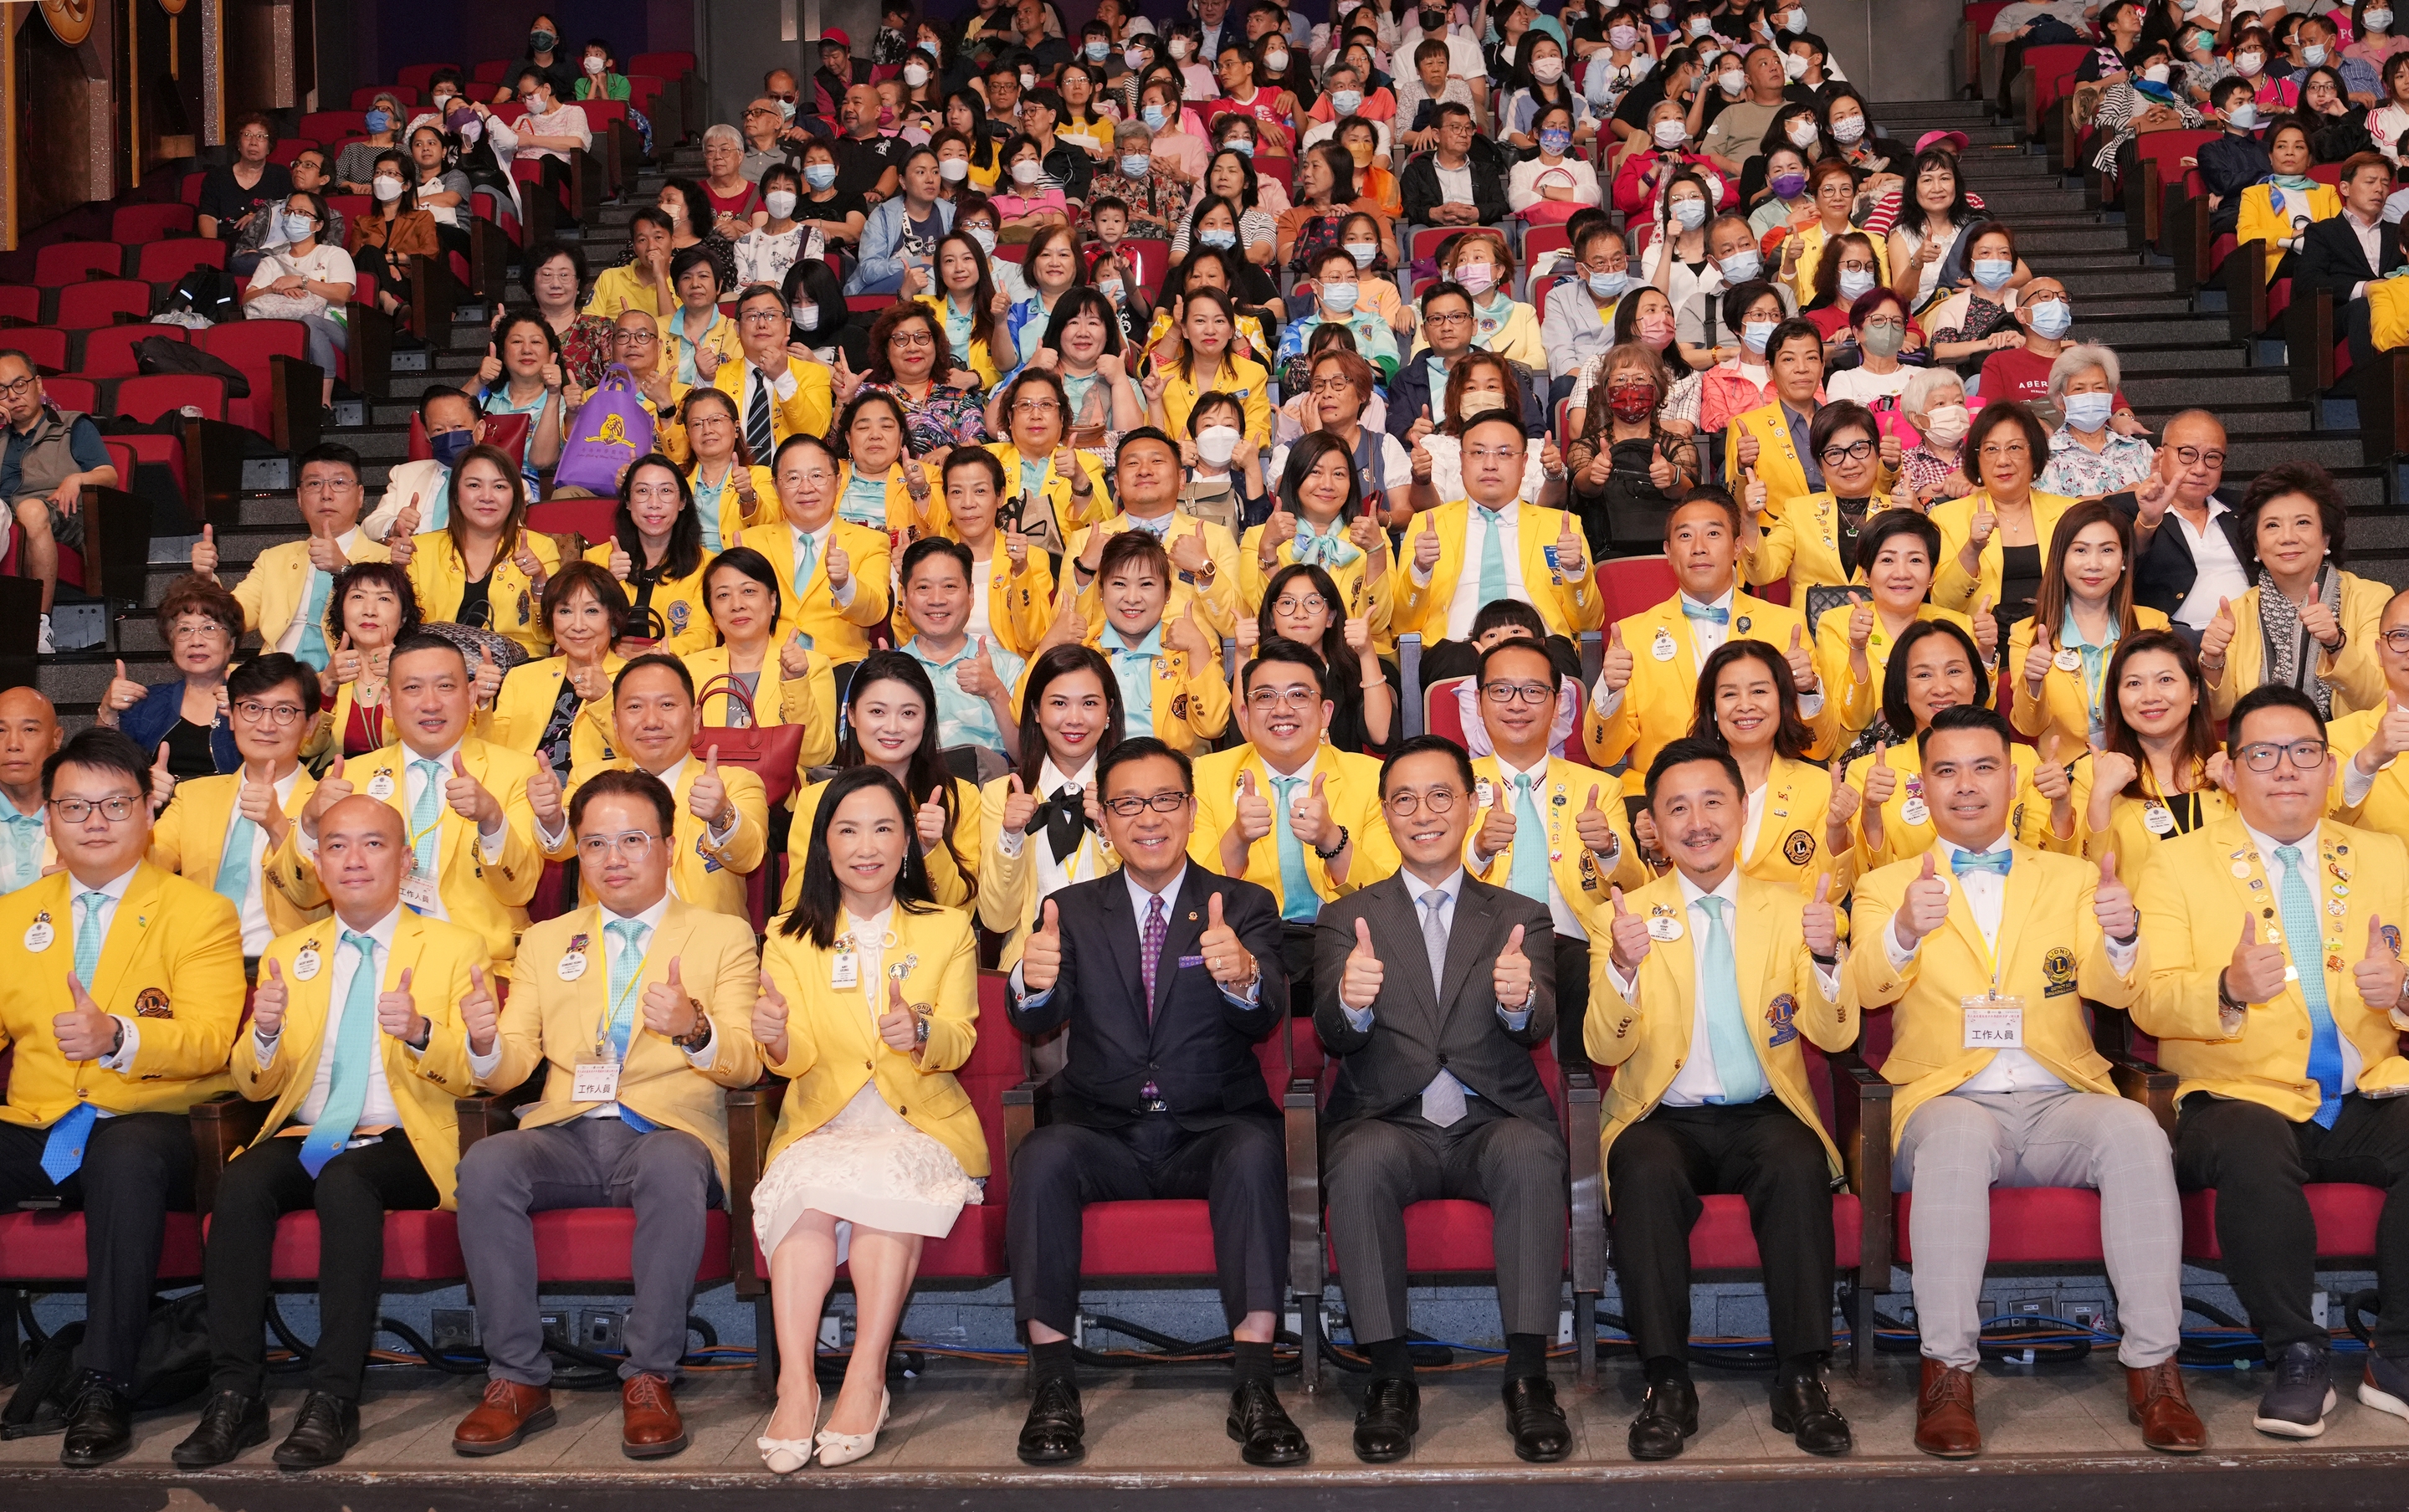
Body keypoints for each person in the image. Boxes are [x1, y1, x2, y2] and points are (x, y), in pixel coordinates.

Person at [1845, 703, 2205, 1457]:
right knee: (1951, 1145)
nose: (1966, 785)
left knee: (2138, 1130)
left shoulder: (2072, 875)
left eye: (1983, 768)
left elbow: (2111, 992)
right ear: (1923, 785)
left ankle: (2155, 1367)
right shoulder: (1885, 885)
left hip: (2059, 1096)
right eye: (1946, 771)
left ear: (2012, 780)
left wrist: (2121, 932)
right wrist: (1903, 929)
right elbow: (1864, 993)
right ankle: (1946, 1371)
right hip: (1945, 1097)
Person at [1005, 735, 1303, 1467]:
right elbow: (1038, 1019)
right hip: (1103, 1130)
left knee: (1256, 1151)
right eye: (1127, 802)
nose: (1148, 817)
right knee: (1040, 1157)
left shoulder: (1242, 904)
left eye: (1164, 799)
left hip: (1211, 1124)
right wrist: (1032, 982)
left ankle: (1256, 1386)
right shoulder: (1067, 910)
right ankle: (1052, 1385)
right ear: (1103, 819)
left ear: (1191, 809)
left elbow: (1264, 1015)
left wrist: (1242, 978)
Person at [449, 767, 761, 1458]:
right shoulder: (545, 939)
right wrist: (481, 1043)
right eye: (594, 844)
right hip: (564, 1131)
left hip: (666, 1132)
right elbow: (513, 1063)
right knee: (487, 1161)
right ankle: (516, 1379)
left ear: (669, 845)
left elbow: (746, 1062)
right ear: (579, 853)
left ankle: (649, 1375)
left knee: (676, 1163)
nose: (612, 858)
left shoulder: (722, 935)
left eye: (632, 839)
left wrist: (693, 1026)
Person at [171, 794, 488, 1471]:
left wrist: (424, 1032)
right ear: (316, 862)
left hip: (407, 1136)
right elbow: (254, 1084)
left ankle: (333, 1397)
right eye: (337, 845)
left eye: (373, 844)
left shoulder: (458, 947)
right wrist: (264, 1032)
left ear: (404, 860)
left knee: (347, 1184)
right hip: (310, 1131)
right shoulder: (291, 952)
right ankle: (234, 1392)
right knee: (242, 1182)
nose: (353, 859)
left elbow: (477, 1078)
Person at [2135, 681, 2409, 1436]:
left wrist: (2405, 989)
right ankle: (2296, 1354)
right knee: (2252, 1147)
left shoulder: (2387, 856)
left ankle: (2398, 1353)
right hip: (2236, 1092)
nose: (2285, 768)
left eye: (2303, 752)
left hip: (2363, 1090)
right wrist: (2224, 986)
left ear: (2329, 767)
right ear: (2228, 769)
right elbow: (2147, 1000)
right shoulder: (2174, 865)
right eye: (2262, 753)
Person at [1590, 734, 1854, 1461]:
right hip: (1659, 1114)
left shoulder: (1793, 907)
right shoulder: (1624, 914)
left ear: (1742, 811)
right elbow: (1603, 1047)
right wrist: (1620, 967)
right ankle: (1666, 1381)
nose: (1697, 820)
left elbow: (1834, 1033)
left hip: (1762, 1112)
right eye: (1677, 807)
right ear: (1656, 826)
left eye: (1713, 801)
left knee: (1797, 1165)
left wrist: (1829, 956)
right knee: (1640, 1170)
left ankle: (1802, 1375)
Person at [1310, 731, 1568, 1463]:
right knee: (1356, 1163)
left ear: (1470, 801)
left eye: (1439, 794)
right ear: (1384, 815)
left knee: (1528, 1154)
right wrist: (1351, 1003)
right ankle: (1389, 1378)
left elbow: (1540, 1020)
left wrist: (1520, 1003)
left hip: (1493, 1117)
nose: (1422, 812)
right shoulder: (1346, 915)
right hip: (1390, 1120)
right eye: (1403, 799)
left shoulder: (1520, 911)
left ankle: (1528, 1377)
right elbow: (1333, 1033)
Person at [0, 727, 244, 1466]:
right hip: (43, 1122)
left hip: (152, 1122)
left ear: (146, 813)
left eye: (115, 803)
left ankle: (105, 1383)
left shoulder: (200, 913)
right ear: (49, 817)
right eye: (76, 807)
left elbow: (207, 1039)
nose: (96, 821)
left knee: (126, 1157)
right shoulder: (12, 916)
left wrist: (117, 1036)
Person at [748, 764, 985, 1473]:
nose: (866, 845)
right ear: (823, 846)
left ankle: (864, 1375)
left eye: (884, 827)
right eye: (847, 830)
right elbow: (794, 1060)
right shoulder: (789, 937)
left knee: (885, 1189)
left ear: (907, 842)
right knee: (807, 1201)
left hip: (919, 1123)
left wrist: (920, 1031)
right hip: (824, 1121)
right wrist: (776, 1036)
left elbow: (962, 1036)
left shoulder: (946, 928)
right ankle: (796, 1383)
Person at [292, 633, 542, 972]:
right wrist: (308, 824)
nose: (430, 704)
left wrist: (492, 821)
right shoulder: (350, 777)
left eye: (445, 687)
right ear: (388, 702)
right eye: (412, 688)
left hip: (478, 964)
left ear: (470, 696)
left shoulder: (515, 771)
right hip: (370, 959)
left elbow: (520, 890)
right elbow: (305, 896)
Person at [1191, 637, 1399, 1017]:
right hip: (1246, 937)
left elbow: (1388, 894)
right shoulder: (1206, 776)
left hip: (1343, 936)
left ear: (1325, 713)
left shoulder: (1371, 777)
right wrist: (1237, 838)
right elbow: (1193, 896)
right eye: (1265, 697)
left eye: (1299, 696)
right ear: (1245, 712)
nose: (1282, 710)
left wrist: (1331, 841)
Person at [1466, 632, 1646, 1058]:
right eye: (1500, 690)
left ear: (1558, 702)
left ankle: (1577, 1095)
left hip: (1571, 940)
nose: (1516, 704)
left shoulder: (1600, 788)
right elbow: (1424, 875)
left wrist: (1608, 850)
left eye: (1532, 691)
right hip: (1477, 939)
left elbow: (1637, 887)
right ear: (1479, 703)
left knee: (1586, 972)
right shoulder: (1452, 786)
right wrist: (1478, 850)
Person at [1586, 489, 1824, 797]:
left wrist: (1807, 690)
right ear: (1668, 553)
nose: (1699, 548)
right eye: (1685, 537)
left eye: (1713, 533)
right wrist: (1610, 690)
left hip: (1767, 794)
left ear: (1738, 546)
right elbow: (1602, 754)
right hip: (1668, 800)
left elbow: (1820, 747)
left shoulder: (1784, 627)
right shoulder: (1632, 635)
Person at [533, 653, 771, 921]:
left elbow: (748, 858)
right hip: (605, 946)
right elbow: (561, 846)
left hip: (703, 949)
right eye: (635, 707)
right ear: (615, 722)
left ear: (695, 719)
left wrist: (721, 815)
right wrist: (552, 820)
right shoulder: (590, 780)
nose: (651, 721)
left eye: (667, 704)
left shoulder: (735, 783)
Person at [144, 653, 325, 962]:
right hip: (198, 963)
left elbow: (318, 895)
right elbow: (148, 866)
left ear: (310, 725)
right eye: (252, 708)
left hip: (291, 969)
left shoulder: (327, 804)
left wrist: (277, 825)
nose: (266, 725)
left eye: (284, 711)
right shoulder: (193, 795)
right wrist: (134, 809)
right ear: (232, 716)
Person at [1393, 412, 1598, 667]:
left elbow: (1588, 623)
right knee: (1455, 660)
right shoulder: (1427, 526)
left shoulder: (1561, 527)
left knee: (1555, 657)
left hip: (1541, 645)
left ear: (1524, 464)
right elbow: (1402, 624)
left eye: (1504, 453)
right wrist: (1420, 571)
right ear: (1461, 461)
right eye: (1478, 453)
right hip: (1458, 651)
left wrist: (1574, 572)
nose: (1490, 464)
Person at [2022, 628, 2235, 869]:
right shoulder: (2092, 772)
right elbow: (2076, 874)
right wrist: (2100, 797)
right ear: (2117, 697)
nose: (2150, 696)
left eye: (2165, 680)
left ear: (2194, 690)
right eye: (2134, 683)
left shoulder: (2232, 763)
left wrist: (2242, 792)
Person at [2197, 461, 2388, 720]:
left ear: (2326, 538)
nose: (2287, 537)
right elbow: (2218, 712)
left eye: (2303, 523)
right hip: (2262, 750)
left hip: (2351, 750)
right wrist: (2212, 659)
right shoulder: (2236, 612)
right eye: (2272, 526)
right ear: (2256, 546)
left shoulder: (2373, 599)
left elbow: (2376, 699)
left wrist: (2336, 643)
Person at [978, 643, 1124, 970]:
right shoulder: (998, 795)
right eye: (1059, 703)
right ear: (1036, 711)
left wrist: (1109, 829)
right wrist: (1011, 836)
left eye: (1089, 703)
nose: (1074, 719)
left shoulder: (1131, 793)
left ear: (1109, 710)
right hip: (1028, 969)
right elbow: (996, 919)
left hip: (1117, 968)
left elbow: (1148, 898)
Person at [2008, 501, 2172, 752]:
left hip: (2142, 767)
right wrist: (2033, 682)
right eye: (2081, 551)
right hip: (2066, 778)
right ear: (2060, 558)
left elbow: (2171, 712)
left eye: (2107, 550)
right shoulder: (2026, 634)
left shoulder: (2154, 625)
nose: (2094, 564)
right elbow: (2030, 728)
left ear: (2124, 559)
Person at [1816, 510, 1988, 749]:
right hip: (1866, 761)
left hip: (1948, 754)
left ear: (1932, 574)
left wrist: (1987, 654)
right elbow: (1852, 719)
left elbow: (1980, 711)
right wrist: (1857, 648)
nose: (1902, 573)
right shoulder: (1836, 623)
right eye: (1887, 560)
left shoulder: (1957, 626)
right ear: (1866, 573)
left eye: (1915, 560)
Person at [682, 546, 839, 785]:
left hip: (778, 808)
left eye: (748, 591)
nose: (737, 605)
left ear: (773, 601)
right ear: (712, 611)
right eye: (723, 595)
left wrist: (795, 681)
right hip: (699, 798)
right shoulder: (688, 671)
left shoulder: (812, 666)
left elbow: (817, 754)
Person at [388, 445, 562, 660]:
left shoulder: (540, 548)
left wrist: (539, 580)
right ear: (455, 494)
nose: (487, 497)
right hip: (434, 670)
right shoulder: (419, 549)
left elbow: (551, 635)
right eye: (474, 485)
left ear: (515, 496)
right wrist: (397, 574)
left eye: (499, 486)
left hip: (518, 675)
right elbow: (393, 628)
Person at [0, 347, 120, 652]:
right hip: (6, 517)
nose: (12, 396)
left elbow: (109, 474)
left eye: (19, 384)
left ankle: (40, 625)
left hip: (61, 515)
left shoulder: (72, 425)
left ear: (38, 384)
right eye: (1, 390)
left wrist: (77, 478)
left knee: (30, 508)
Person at [1928, 402, 2078, 638]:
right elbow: (1943, 604)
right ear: (1976, 460)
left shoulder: (2069, 513)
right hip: (1982, 642)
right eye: (1991, 449)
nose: (2003, 461)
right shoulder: (1947, 517)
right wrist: (1972, 549)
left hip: (2058, 638)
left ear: (2035, 454)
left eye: (2015, 448)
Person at [480, 562, 630, 787]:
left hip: (600, 802)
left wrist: (605, 698)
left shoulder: (634, 680)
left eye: (592, 611)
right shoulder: (522, 677)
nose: (578, 625)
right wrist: (482, 705)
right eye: (565, 611)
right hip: (524, 799)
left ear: (614, 620)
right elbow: (491, 752)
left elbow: (642, 757)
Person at [1745, 398, 1902, 602]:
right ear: (1819, 465)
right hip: (1813, 630)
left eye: (1859, 448)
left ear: (1877, 453)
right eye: (1834, 453)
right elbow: (1762, 574)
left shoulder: (1897, 511)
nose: (1849, 463)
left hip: (1881, 627)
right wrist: (1749, 520)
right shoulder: (1797, 511)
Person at [94, 577, 243, 782]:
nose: (196, 641)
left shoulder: (253, 705)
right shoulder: (147, 703)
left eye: (209, 628)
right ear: (172, 646)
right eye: (184, 630)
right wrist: (108, 710)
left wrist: (246, 713)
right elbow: (102, 773)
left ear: (231, 644)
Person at [896, 537, 1030, 758]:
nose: (937, 599)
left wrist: (995, 691)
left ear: (971, 595)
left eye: (949, 586)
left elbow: (1027, 758)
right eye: (923, 587)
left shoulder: (1010, 667)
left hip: (985, 786)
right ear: (904, 596)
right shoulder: (886, 671)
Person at [591, 454, 714, 654]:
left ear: (682, 501)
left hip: (671, 669)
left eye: (665, 491)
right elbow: (579, 629)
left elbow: (702, 636)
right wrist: (607, 582)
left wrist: (649, 655)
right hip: (606, 664)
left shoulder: (707, 566)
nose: (654, 503)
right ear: (628, 502)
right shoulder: (595, 561)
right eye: (642, 491)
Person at [2303, 149, 2409, 374]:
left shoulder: (2397, 233)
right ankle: (2373, 385)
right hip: (2339, 314)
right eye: (2370, 182)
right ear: (2345, 188)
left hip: (2391, 312)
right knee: (2362, 307)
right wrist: (2364, 289)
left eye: (2385, 183)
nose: (2379, 189)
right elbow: (2308, 282)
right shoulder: (2323, 232)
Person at [713, 284, 838, 459]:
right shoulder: (717, 377)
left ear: (788, 325)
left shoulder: (815, 373)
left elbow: (814, 434)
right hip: (734, 477)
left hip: (792, 480)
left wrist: (782, 378)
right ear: (737, 329)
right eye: (752, 316)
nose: (762, 324)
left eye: (771, 316)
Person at [2037, 345, 2155, 499]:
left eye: (2099, 387)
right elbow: (2054, 509)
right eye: (2079, 389)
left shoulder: (2140, 450)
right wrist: (2119, 497)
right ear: (2060, 400)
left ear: (2111, 396)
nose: (2090, 395)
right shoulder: (2047, 455)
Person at [1400, 102, 1509, 229]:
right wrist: (1434, 213)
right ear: (1436, 135)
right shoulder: (1417, 171)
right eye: (1456, 128)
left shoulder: (1485, 170)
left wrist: (1476, 212)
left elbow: (1501, 206)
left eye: (1468, 128)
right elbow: (1408, 209)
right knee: (1415, 231)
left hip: (1477, 230)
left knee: (1504, 230)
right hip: (1435, 229)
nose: (1464, 134)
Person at [197, 115, 293, 249]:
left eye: (261, 136)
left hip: (266, 246)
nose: (253, 142)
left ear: (269, 147)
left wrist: (260, 219)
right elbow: (207, 215)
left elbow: (288, 213)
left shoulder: (280, 175)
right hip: (226, 243)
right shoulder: (217, 176)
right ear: (238, 143)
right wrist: (214, 249)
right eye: (247, 135)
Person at [0, 687, 61, 894]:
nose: (13, 745)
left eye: (29, 730)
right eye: (1, 731)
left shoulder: (78, 816)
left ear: (56, 739)